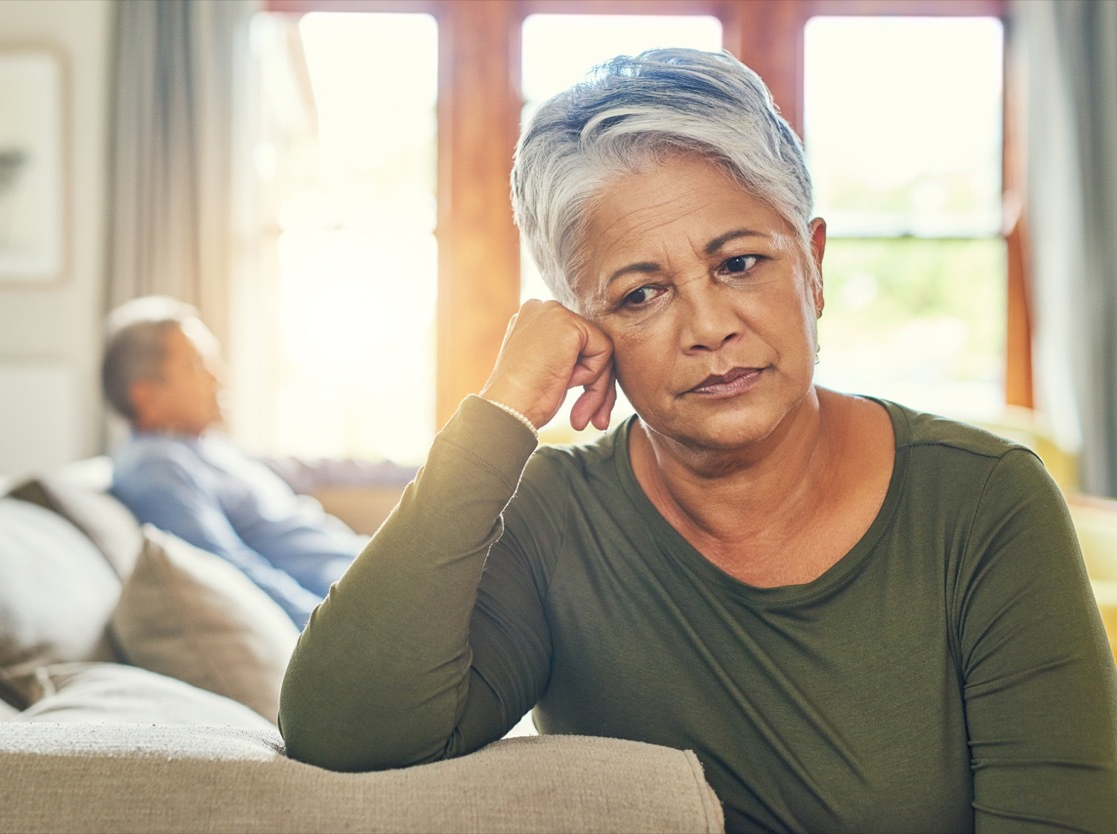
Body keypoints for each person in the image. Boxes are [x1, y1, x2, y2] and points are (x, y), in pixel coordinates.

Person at [277, 48, 1117, 830]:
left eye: (740, 263)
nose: (710, 327)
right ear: (583, 328)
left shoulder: (985, 500)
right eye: (642, 294)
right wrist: (499, 413)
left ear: (813, 264)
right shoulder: (555, 520)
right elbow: (339, 731)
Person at [101, 296, 413, 630]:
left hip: (379, 574)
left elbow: (314, 469)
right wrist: (329, 633)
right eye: (196, 366)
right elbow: (230, 571)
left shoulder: (207, 447)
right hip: (369, 607)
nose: (219, 378)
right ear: (147, 397)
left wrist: (436, 469)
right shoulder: (155, 468)